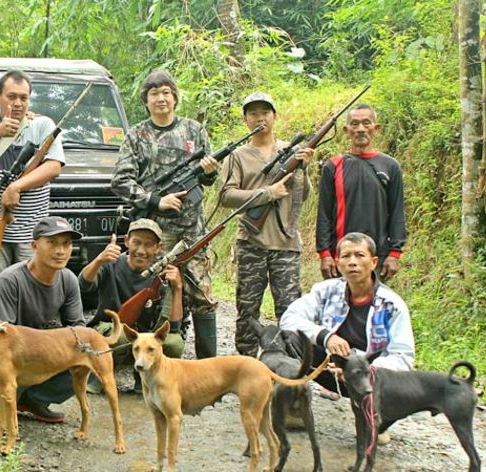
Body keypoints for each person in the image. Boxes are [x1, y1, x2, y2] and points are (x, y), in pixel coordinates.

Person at [111, 69, 220, 359]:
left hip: (193, 229)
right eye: (154, 93)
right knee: (158, 292)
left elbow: (206, 179)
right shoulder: (136, 135)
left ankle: (208, 367)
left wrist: (209, 173)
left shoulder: (194, 131)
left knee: (201, 294)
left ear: (175, 98)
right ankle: (152, 359)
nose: (161, 98)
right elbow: (120, 181)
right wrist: (156, 201)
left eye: (166, 92)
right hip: (155, 234)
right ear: (146, 100)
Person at [218, 92, 313, 356]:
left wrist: (303, 168)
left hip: (287, 243)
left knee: (290, 310)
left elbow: (302, 196)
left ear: (275, 116)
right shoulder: (237, 156)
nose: (260, 118)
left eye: (265, 112)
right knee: (247, 309)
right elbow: (226, 195)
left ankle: (291, 368)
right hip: (251, 242)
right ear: (246, 119)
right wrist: (267, 193)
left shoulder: (292, 152)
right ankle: (246, 368)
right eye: (253, 114)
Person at [0, 216, 84, 423]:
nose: (60, 251)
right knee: (2, 361)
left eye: (66, 244)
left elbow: (78, 329)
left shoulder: (69, 280)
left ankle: (32, 400)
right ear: (34, 245)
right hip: (1, 353)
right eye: (52, 243)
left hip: (37, 352)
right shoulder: (10, 280)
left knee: (88, 358)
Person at [0, 70, 64, 313]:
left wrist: (16, 186)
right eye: (11, 96)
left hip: (32, 233)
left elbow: (53, 167)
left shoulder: (42, 125)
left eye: (24, 97)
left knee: (32, 294)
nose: (18, 103)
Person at [280, 232, 415, 395]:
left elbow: (403, 358)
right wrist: (326, 337)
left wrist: (359, 369)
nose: (352, 262)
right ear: (338, 263)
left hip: (369, 380)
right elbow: (289, 318)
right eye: (346, 256)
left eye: (359, 255)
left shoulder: (392, 305)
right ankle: (292, 400)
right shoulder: (326, 291)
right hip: (330, 369)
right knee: (287, 339)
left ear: (373, 262)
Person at [79, 219, 184, 391]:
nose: (141, 251)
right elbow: (83, 285)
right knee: (119, 334)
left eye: (149, 245)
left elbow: (174, 326)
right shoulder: (110, 264)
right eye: (136, 243)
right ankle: (101, 377)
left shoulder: (163, 274)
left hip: (144, 340)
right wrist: (99, 260)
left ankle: (146, 382)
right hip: (110, 333)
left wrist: (178, 287)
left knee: (174, 343)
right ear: (127, 241)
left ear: (158, 248)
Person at [316, 104, 406, 282]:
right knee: (339, 308)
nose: (360, 129)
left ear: (376, 128)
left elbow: (397, 212)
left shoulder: (390, 166)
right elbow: (324, 214)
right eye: (354, 124)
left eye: (366, 123)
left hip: (375, 258)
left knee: (374, 307)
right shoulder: (333, 166)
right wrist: (325, 254)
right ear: (346, 130)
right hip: (341, 257)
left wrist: (395, 253)